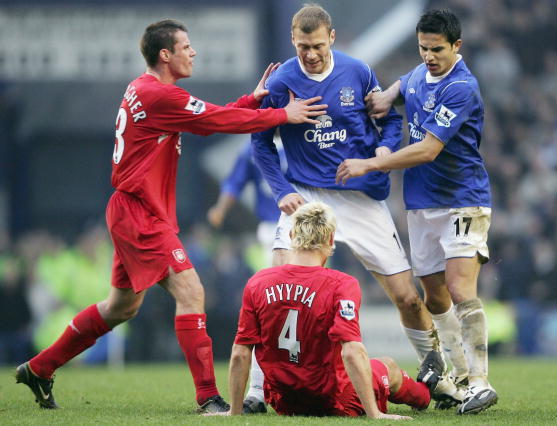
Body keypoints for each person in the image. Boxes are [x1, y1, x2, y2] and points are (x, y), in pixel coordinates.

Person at [15, 19, 326, 413]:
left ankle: (40, 368)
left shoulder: (147, 90)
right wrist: (283, 114)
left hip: (132, 210)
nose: (193, 52)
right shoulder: (158, 96)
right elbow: (214, 122)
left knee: (121, 307)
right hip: (141, 213)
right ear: (166, 54)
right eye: (186, 46)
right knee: (191, 292)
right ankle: (208, 399)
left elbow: (209, 117)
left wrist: (253, 99)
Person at [248, 3, 458, 413]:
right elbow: (260, 142)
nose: (310, 54)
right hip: (308, 197)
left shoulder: (357, 71)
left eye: (317, 46)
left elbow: (389, 119)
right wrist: (280, 191)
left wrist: (383, 148)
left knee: (407, 298)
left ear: (331, 37)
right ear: (294, 41)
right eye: (303, 46)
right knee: (275, 290)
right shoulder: (282, 81)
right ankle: (257, 391)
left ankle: (441, 376)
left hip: (360, 198)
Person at [336, 9, 497, 414]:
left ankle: (480, 381)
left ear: (457, 47)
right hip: (422, 204)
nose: (429, 56)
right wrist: (391, 93)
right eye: (423, 48)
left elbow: (427, 149)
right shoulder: (421, 72)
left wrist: (370, 163)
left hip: (464, 198)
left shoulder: (462, 87)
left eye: (437, 49)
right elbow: (409, 81)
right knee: (435, 297)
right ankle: (459, 379)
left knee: (461, 288)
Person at [212, 202, 445, 419]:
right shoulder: (341, 284)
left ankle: (425, 384)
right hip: (335, 399)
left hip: (283, 401)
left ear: (292, 236)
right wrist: (375, 414)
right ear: (331, 239)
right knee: (388, 366)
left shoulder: (258, 282)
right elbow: (352, 351)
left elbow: (241, 352)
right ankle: (424, 391)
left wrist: (234, 411)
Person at [207, 140, 286, 254]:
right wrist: (220, 209)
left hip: (303, 223)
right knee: (277, 270)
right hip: (272, 226)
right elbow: (235, 182)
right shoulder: (253, 148)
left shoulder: (301, 142)